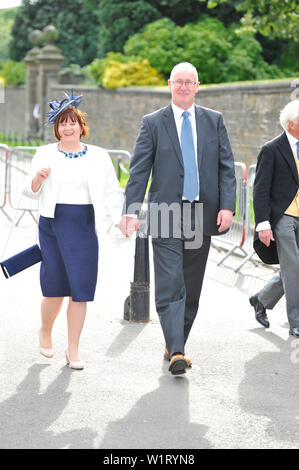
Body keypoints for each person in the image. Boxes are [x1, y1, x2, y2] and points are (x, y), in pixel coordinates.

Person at [119, 62, 236, 375]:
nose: (184, 87)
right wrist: (130, 211)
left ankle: (174, 341)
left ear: (197, 86)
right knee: (171, 281)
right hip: (165, 213)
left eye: (190, 82)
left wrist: (228, 206)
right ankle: (179, 352)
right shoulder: (153, 123)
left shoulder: (214, 121)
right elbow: (139, 169)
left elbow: (226, 166)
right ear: (170, 85)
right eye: (178, 82)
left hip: (201, 212)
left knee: (191, 285)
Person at [23, 90, 123, 369]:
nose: (68, 127)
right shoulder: (44, 154)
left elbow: (112, 191)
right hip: (53, 225)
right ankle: (45, 331)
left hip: (83, 225)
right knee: (54, 288)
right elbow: (28, 191)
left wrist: (121, 219)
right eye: (62, 123)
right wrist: (38, 178)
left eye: (72, 122)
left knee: (80, 290)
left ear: (81, 126)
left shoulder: (99, 156)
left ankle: (73, 349)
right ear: (57, 129)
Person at [250, 100, 299, 337]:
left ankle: (261, 299)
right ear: (292, 124)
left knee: (294, 268)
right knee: (294, 268)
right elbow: (260, 190)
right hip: (283, 217)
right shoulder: (271, 149)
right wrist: (263, 223)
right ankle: (296, 322)